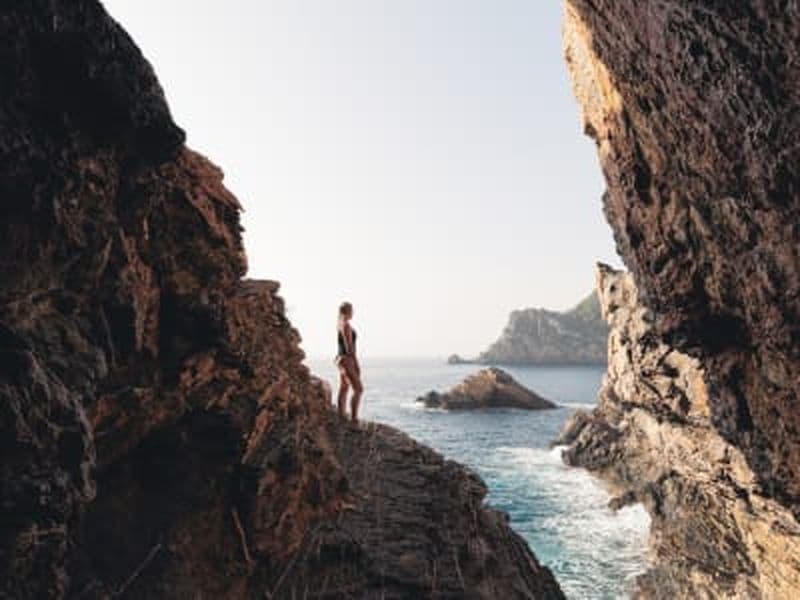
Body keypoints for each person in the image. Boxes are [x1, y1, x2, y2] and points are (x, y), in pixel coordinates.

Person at [335, 301, 363, 423]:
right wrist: (356, 363)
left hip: (339, 359)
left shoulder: (339, 323)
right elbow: (349, 348)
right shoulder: (346, 325)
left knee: (344, 387)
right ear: (348, 311)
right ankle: (354, 419)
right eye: (352, 310)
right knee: (358, 389)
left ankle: (341, 416)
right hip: (347, 359)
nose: (353, 313)